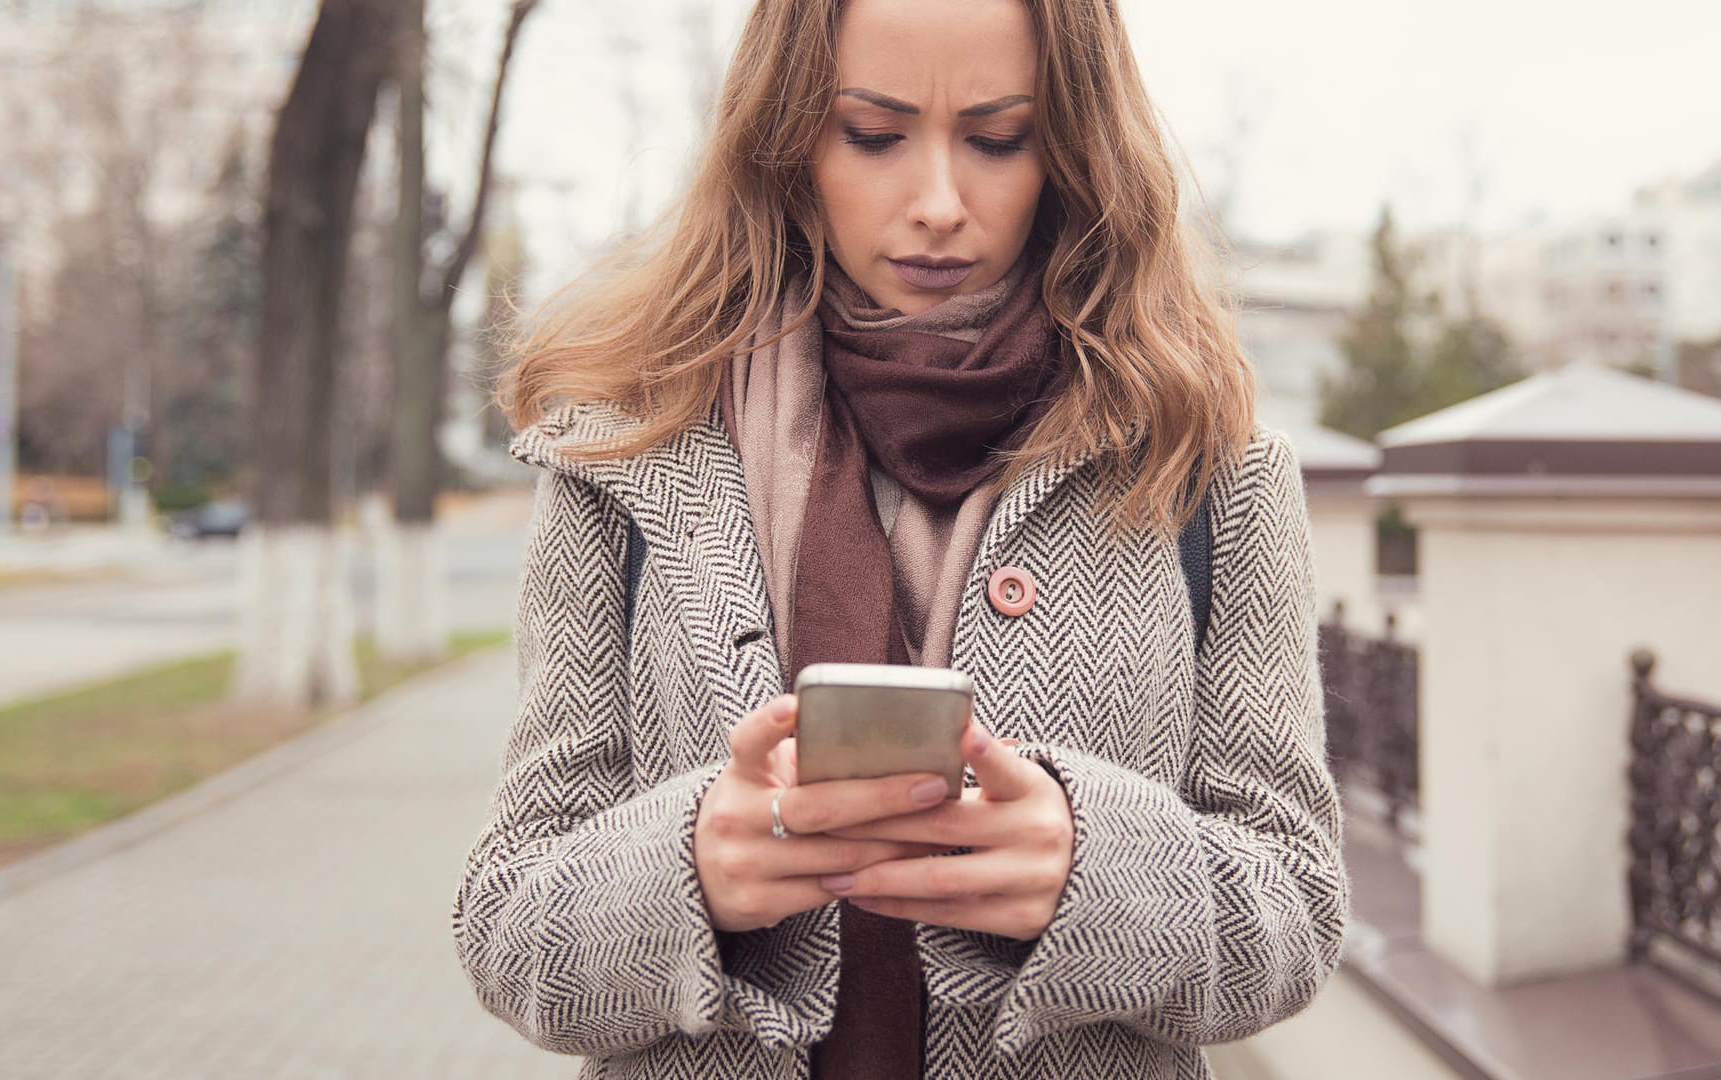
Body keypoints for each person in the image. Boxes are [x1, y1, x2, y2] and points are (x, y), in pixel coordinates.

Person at [452, 0, 1350, 1076]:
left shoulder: (1209, 463)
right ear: (788, 139)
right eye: (872, 135)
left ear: (1070, 145)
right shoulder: (629, 451)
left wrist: (1095, 870)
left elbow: (1297, 911)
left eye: (998, 138)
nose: (937, 203)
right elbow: (508, 929)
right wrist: (690, 865)